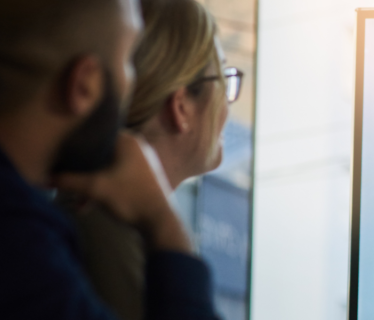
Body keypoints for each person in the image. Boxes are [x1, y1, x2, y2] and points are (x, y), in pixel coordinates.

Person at [0, 0, 220, 319]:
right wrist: (162, 222)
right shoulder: (20, 252)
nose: (135, 83)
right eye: (129, 59)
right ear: (85, 84)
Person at [55, 0, 240, 318]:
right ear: (181, 107)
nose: (227, 103)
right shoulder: (113, 235)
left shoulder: (91, 217)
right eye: (222, 81)